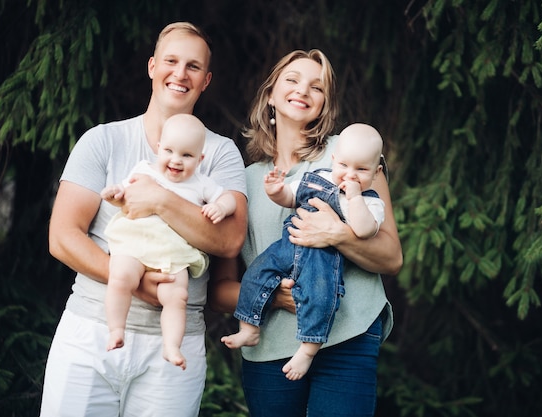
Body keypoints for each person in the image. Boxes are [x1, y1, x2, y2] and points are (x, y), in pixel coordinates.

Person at [42, 22, 247, 417]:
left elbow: (229, 240)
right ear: (152, 66)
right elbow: (63, 236)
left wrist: (157, 198)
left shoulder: (220, 155)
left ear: (206, 81)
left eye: (193, 66)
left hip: (173, 347)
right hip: (91, 330)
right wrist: (134, 281)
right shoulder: (104, 140)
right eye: (171, 61)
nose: (180, 73)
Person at [209, 50, 402, 417]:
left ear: (325, 104)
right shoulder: (245, 180)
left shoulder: (350, 153)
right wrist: (277, 298)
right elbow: (219, 290)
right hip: (269, 349)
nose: (303, 90)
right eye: (292, 80)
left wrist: (338, 235)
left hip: (348, 335)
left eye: (318, 86)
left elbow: (391, 257)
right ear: (270, 93)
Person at [221, 123, 386, 381]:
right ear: (334, 160)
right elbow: (291, 196)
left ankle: (308, 350)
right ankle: (248, 327)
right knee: (257, 272)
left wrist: (354, 199)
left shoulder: (370, 201)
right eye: (344, 166)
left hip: (323, 259)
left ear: (376, 173)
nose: (350, 176)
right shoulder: (318, 177)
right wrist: (277, 191)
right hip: (289, 245)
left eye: (361, 170)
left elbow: (365, 230)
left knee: (321, 295)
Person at [102, 113, 236, 370]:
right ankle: (116, 329)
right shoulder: (143, 170)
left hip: (172, 253)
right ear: (158, 148)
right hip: (135, 243)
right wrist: (115, 193)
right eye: (169, 151)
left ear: (200, 159)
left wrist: (221, 207)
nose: (176, 160)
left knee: (177, 298)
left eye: (186, 155)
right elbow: (125, 195)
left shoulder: (201, 183)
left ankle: (171, 345)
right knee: (120, 278)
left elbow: (227, 197)